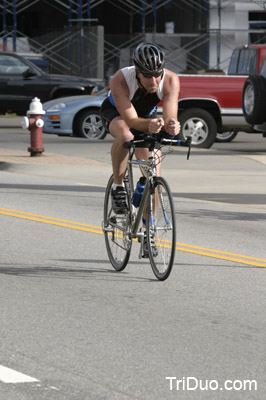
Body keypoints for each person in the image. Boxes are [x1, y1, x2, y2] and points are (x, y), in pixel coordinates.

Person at [100, 42, 181, 215]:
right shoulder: (120, 80)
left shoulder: (170, 80)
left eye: (157, 74)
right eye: (147, 75)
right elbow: (131, 121)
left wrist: (172, 125)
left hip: (146, 115)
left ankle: (147, 229)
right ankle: (118, 186)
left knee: (152, 174)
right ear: (137, 72)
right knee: (126, 136)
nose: (153, 81)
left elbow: (170, 116)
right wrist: (149, 125)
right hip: (118, 113)